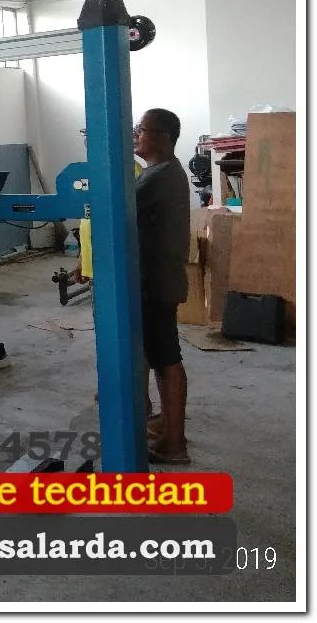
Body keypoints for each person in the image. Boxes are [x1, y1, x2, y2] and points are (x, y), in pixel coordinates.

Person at [133, 108, 192, 465]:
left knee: (167, 358)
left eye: (141, 129)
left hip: (156, 282)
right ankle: (167, 424)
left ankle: (174, 442)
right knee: (158, 355)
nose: (136, 134)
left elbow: (116, 207)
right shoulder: (159, 172)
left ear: (163, 137)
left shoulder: (160, 176)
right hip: (155, 279)